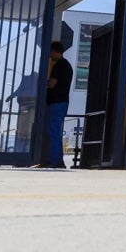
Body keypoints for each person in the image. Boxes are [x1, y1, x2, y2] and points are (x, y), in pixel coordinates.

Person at [42, 40, 73, 169]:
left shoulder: (59, 65)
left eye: (50, 52)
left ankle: (55, 161)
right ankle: (58, 160)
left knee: (53, 131)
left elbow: (52, 84)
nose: (50, 55)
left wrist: (44, 82)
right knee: (56, 131)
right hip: (63, 101)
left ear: (55, 51)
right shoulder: (67, 65)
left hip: (56, 102)